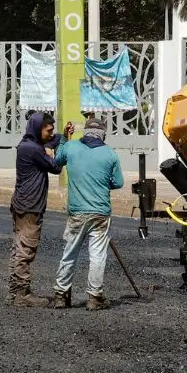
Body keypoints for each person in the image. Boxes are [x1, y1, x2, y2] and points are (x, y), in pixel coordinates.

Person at [52, 115, 125, 311]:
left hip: (77, 212)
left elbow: (57, 160)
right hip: (100, 213)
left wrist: (63, 139)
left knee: (69, 253)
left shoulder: (71, 147)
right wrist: (101, 182)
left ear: (85, 132)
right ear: (103, 134)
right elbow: (118, 182)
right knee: (97, 256)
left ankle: (61, 295)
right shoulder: (110, 154)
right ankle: (94, 298)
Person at [9, 111, 71, 306]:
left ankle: (14, 291)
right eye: (48, 130)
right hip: (30, 205)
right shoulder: (34, 150)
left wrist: (63, 136)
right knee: (26, 249)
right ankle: (23, 294)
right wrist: (63, 148)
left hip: (22, 202)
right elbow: (56, 167)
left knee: (18, 247)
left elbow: (52, 141)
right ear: (38, 129)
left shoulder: (28, 144)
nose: (51, 134)